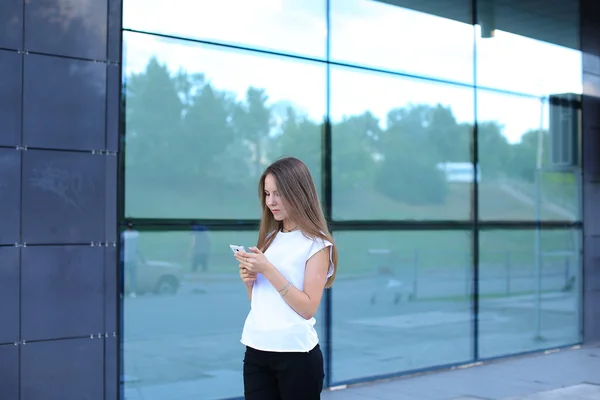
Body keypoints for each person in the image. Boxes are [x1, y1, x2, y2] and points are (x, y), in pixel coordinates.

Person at [234, 157, 338, 400]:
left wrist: (268, 270)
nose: (271, 201)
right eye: (267, 193)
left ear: (298, 192)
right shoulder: (270, 238)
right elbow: (261, 305)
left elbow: (307, 308)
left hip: (296, 355)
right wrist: (250, 283)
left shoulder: (317, 244)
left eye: (278, 193)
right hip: (256, 348)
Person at [188, 224, 210, 293]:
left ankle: (196, 286)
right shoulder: (206, 233)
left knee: (195, 270)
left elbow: (193, 243)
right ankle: (206, 286)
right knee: (204, 270)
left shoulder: (195, 232)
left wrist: (190, 252)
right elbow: (209, 242)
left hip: (197, 253)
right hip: (204, 253)